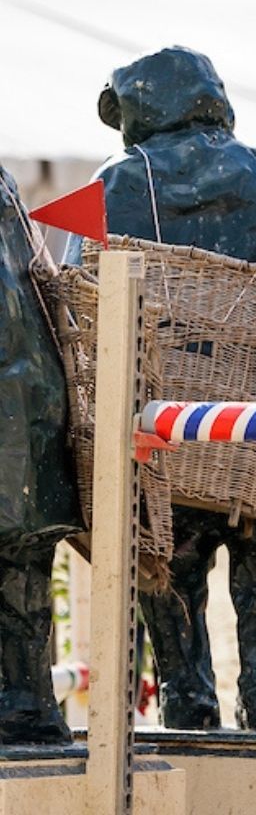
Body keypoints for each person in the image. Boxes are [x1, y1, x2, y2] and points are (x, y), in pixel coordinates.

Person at [77, 47, 256, 730]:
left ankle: (188, 722)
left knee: (177, 651)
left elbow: (83, 321)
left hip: (160, 457)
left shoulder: (114, 185)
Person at [0, 162, 82, 744]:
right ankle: (30, 712)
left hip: (23, 420)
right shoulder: (8, 196)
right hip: (35, 421)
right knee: (24, 585)